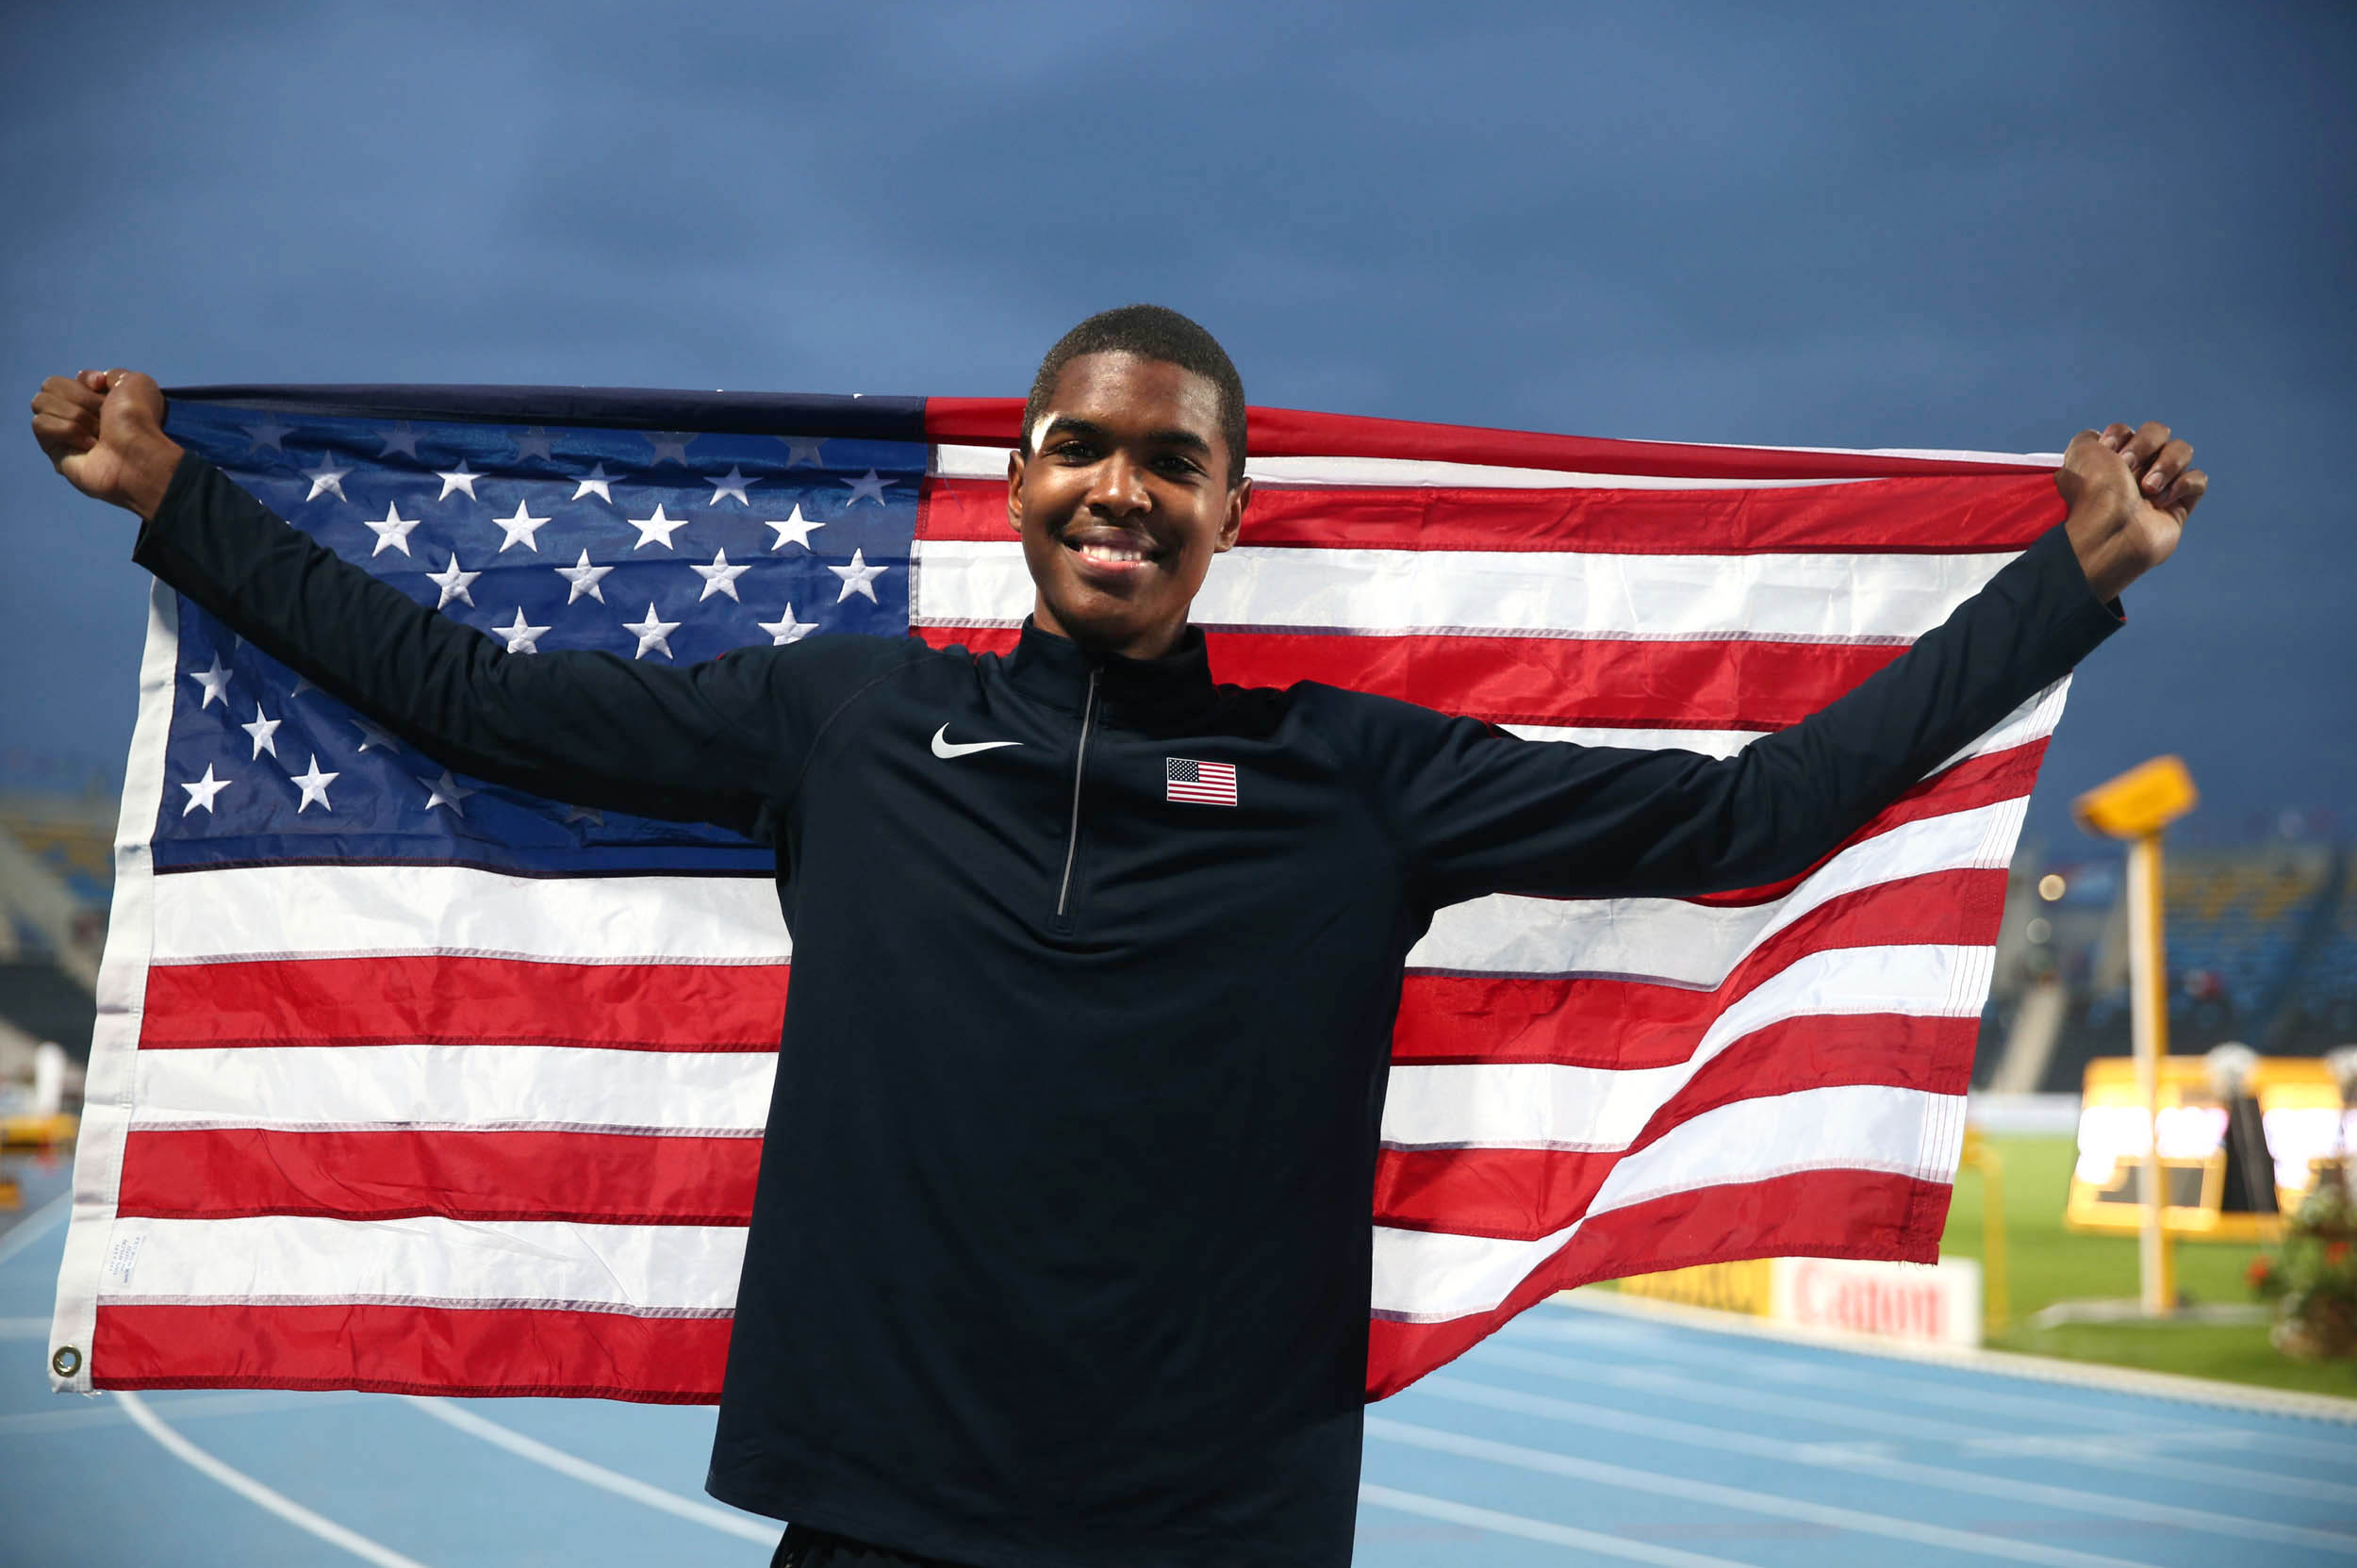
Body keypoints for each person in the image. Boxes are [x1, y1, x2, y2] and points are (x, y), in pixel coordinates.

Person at [31, 305, 2203, 1568]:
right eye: (1080, 445)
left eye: (1171, 461)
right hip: (879, 1511)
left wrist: (2061, 581)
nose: (1119, 485)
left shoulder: (1352, 774)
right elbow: (484, 706)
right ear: (1020, 480)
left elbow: (1747, 818)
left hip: (1212, 1526)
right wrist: (181, 505)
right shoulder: (848, 721)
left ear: (1230, 508)